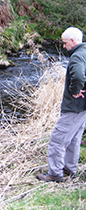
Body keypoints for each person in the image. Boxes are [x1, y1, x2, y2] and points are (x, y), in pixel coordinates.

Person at [36, 27, 86, 182]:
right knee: (74, 139)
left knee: (57, 140)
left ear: (73, 41)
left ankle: (56, 173)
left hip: (74, 106)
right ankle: (69, 169)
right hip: (83, 107)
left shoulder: (77, 56)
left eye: (65, 43)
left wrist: (75, 90)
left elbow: (78, 76)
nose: (64, 47)